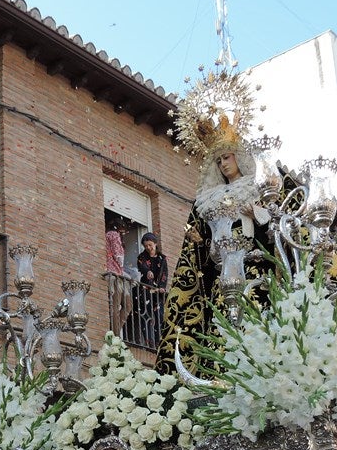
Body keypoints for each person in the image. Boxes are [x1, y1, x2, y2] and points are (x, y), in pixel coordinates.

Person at [154, 138, 271, 376]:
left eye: (227, 157)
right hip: (223, 271)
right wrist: (199, 240)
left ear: (240, 157)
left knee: (253, 315)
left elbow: (275, 229)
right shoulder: (211, 198)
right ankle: (218, 371)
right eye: (219, 161)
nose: (223, 165)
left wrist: (256, 213)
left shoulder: (256, 186)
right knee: (221, 320)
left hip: (252, 268)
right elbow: (204, 239)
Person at [136, 232, 168, 346]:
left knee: (159, 315)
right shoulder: (141, 257)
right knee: (147, 314)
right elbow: (142, 266)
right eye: (146, 246)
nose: (148, 248)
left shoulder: (162, 258)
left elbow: (164, 274)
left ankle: (159, 341)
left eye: (150, 245)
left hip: (158, 292)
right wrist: (147, 271)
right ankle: (149, 340)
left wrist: (162, 287)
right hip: (146, 290)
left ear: (155, 243)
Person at [104, 218, 134, 338]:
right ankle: (115, 334)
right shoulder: (114, 234)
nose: (124, 233)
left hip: (117, 273)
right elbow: (118, 255)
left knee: (122, 305)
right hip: (114, 274)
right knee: (120, 305)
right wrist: (121, 263)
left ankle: (116, 331)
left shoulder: (109, 234)